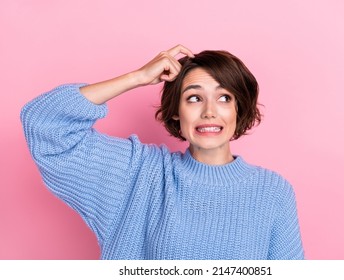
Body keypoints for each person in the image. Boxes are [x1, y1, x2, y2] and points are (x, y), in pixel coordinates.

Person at [21, 45, 304, 260]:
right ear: (177, 113)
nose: (208, 111)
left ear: (238, 109)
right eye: (194, 98)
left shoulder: (272, 192)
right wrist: (137, 77)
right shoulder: (140, 173)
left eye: (223, 98)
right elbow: (46, 124)